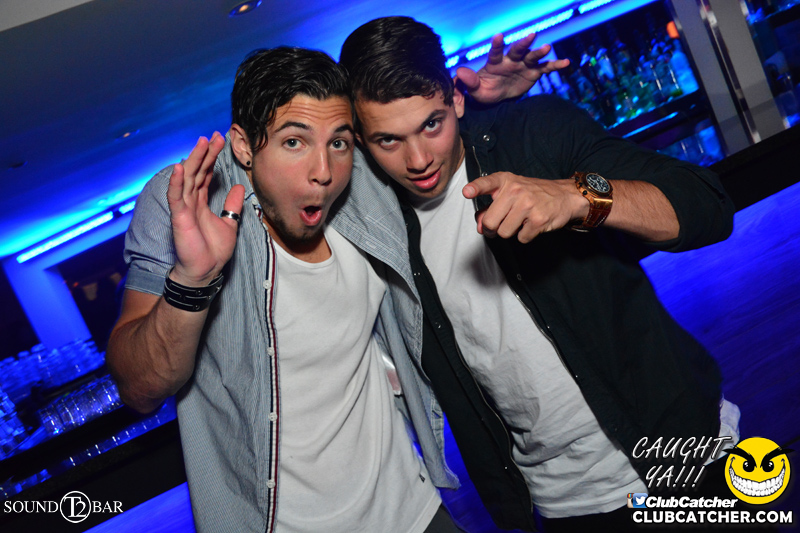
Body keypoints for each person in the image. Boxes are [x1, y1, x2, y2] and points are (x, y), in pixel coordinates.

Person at [106, 42, 564, 532]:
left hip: (415, 511)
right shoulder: (187, 198)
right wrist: (192, 282)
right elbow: (139, 389)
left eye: (339, 143)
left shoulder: (364, 181)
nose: (323, 172)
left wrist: (486, 106)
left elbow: (422, 146)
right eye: (294, 142)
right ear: (243, 145)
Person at [339, 16, 741, 532]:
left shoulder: (535, 133)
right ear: (360, 140)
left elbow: (705, 204)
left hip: (683, 451)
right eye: (388, 141)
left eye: (431, 124)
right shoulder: (374, 224)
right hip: (565, 501)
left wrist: (579, 197)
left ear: (456, 97)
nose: (418, 159)